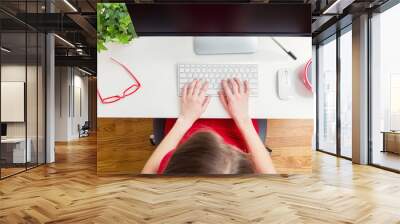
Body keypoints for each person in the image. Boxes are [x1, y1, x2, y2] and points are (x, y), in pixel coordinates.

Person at [141, 78, 276, 174]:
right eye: (232, 150)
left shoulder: (174, 169)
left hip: (184, 123)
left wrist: (184, 119)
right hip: (239, 126)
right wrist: (244, 119)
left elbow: (148, 174)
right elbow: (270, 176)